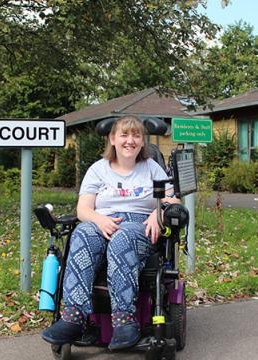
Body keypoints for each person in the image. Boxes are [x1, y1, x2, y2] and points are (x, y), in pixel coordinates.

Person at [41, 115, 180, 350]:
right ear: (113, 139)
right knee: (81, 234)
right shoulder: (98, 170)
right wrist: (99, 219)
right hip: (100, 221)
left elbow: (173, 198)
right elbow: (83, 209)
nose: (131, 140)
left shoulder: (151, 168)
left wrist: (158, 214)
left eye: (136, 135)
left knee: (122, 238)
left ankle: (125, 321)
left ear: (142, 141)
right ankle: (73, 317)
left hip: (138, 225)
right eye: (124, 135)